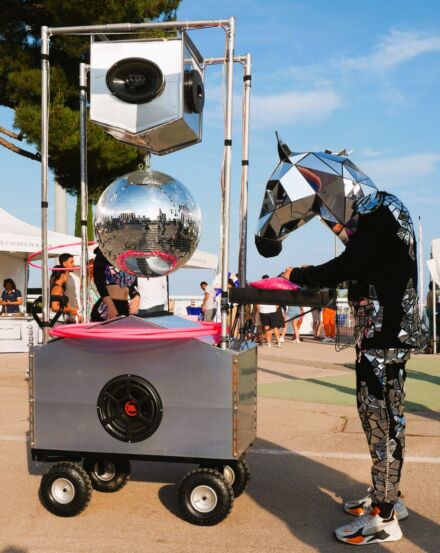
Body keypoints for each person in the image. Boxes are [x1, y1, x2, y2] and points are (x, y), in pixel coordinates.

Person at [257, 141, 420, 545]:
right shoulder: (378, 210)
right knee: (385, 417)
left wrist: (301, 275)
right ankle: (388, 497)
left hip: (385, 336)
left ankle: (383, 518)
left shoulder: (379, 211)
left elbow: (351, 266)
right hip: (384, 335)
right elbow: (364, 270)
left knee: (379, 418)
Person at [91, 247, 140, 321]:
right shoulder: (103, 254)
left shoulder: (129, 255)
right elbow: (99, 283)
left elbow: (132, 284)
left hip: (125, 307)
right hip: (107, 308)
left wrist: (137, 296)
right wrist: (110, 305)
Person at [59, 253, 81, 323]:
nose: (74, 264)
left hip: (72, 315)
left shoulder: (73, 277)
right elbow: (59, 297)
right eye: (71, 262)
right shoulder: (59, 278)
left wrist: (78, 313)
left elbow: (75, 295)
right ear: (64, 263)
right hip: (62, 317)